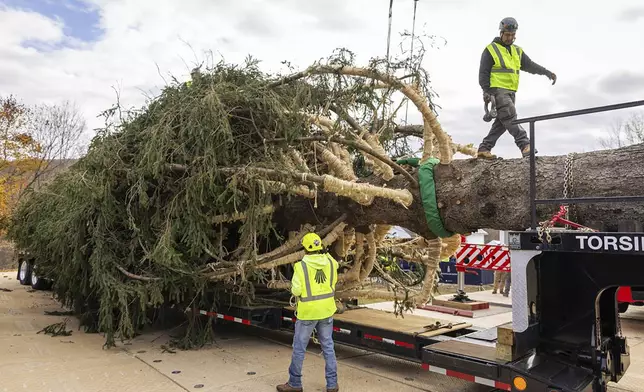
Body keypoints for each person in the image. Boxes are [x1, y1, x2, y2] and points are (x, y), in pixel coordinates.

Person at [477, 17, 557, 159]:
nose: (510, 38)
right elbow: (483, 74)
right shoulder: (491, 50)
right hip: (497, 91)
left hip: (511, 92)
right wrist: (487, 92)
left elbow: (530, 65)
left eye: (512, 35)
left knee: (502, 123)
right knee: (510, 117)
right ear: (501, 32)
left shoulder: (517, 51)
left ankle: (484, 148)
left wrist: (546, 72)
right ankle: (525, 145)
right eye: (507, 35)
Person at [277, 233, 340, 392]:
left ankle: (294, 384)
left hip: (307, 313)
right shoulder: (331, 263)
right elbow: (333, 269)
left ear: (304, 249)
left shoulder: (301, 266)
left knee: (299, 348)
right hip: (326, 310)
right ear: (320, 247)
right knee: (328, 347)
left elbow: (296, 290)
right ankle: (332, 385)